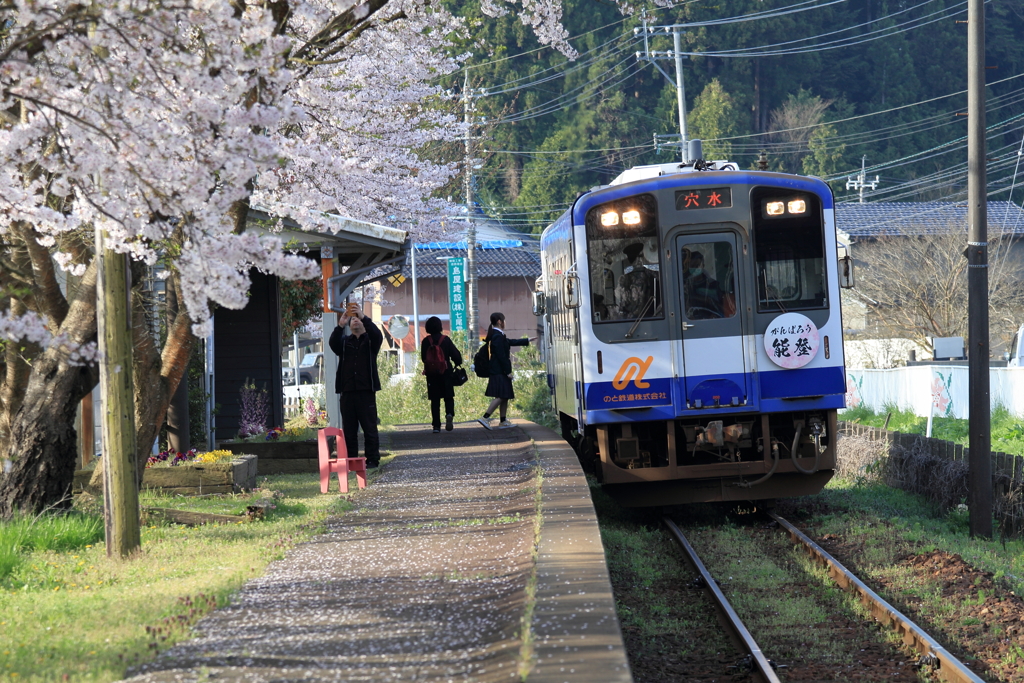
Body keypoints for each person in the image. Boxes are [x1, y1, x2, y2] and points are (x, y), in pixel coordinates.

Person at [328, 304, 383, 467]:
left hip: (366, 391)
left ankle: (372, 459)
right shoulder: (344, 343)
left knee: (369, 428)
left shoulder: (371, 342)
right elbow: (333, 343)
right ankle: (351, 460)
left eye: (358, 319)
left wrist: (364, 317)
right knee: (349, 430)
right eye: (353, 319)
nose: (355, 321)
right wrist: (340, 325)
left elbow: (377, 335)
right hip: (347, 391)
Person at [476, 312, 529, 430]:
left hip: (498, 370)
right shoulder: (497, 336)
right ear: (500, 321)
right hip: (499, 371)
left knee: (504, 395)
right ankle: (485, 417)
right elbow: (501, 356)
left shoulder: (497, 335)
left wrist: (527, 340)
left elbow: (510, 342)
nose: (505, 322)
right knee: (501, 396)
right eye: (504, 320)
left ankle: (503, 420)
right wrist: (508, 371)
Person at [420, 316, 463, 433]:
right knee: (448, 396)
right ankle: (449, 414)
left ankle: (436, 426)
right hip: (446, 372)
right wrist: (457, 363)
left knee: (435, 399)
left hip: (431, 374)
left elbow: (423, 358)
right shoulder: (446, 340)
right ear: (440, 326)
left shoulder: (425, 341)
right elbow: (456, 356)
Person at [615, 242, 659, 319]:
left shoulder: (625, 278)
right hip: (651, 317)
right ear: (641, 256)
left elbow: (620, 299)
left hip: (633, 320)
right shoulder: (651, 274)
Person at [683, 250, 724, 319]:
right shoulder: (683, 285)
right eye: (692, 266)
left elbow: (719, 307)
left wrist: (714, 315)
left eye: (698, 265)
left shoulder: (713, 285)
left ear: (703, 266)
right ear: (688, 267)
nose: (695, 268)